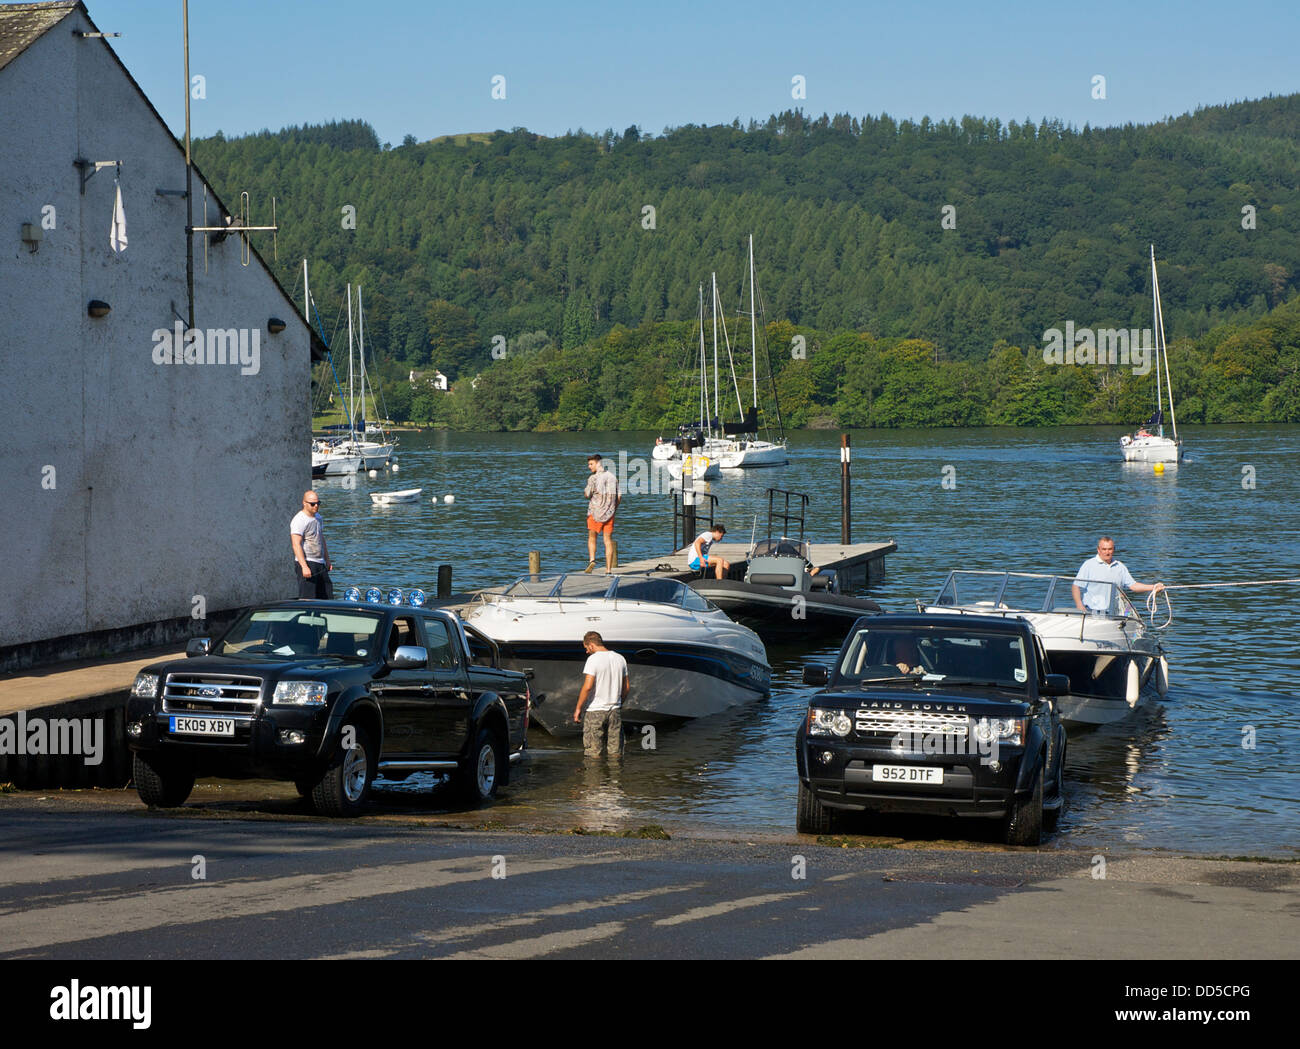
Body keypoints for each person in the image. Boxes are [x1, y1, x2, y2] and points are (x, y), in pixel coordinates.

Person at [572, 631, 629, 759]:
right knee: (616, 752)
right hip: (614, 710)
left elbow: (587, 687)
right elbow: (626, 687)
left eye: (586, 648)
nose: (586, 651)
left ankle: (594, 777)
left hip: (595, 711)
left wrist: (578, 709)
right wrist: (619, 704)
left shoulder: (593, 659)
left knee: (593, 753)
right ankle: (615, 778)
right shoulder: (620, 658)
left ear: (591, 645)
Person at [1072, 536, 1164, 614]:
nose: (1107, 552)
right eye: (1104, 549)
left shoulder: (1120, 566)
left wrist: (1153, 587)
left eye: (1110, 549)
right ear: (1098, 550)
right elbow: (1076, 586)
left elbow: (1133, 586)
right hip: (1092, 611)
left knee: (1130, 616)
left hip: (1114, 613)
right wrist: (1079, 605)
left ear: (1114, 550)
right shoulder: (1089, 564)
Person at [291, 490, 333, 599]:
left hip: (320, 562)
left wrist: (327, 560)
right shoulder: (299, 520)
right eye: (312, 504)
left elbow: (321, 539)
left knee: (327, 596)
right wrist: (304, 566)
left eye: (318, 503)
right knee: (308, 598)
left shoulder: (318, 518)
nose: (316, 506)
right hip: (308, 562)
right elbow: (296, 544)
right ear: (304, 503)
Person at [583, 454, 620, 573]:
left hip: (595, 512)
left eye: (591, 464)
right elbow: (619, 496)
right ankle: (608, 570)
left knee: (592, 537)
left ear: (598, 463)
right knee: (608, 540)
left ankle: (592, 560)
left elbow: (587, 495)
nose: (589, 467)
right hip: (610, 513)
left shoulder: (593, 478)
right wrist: (613, 509)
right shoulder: (613, 477)